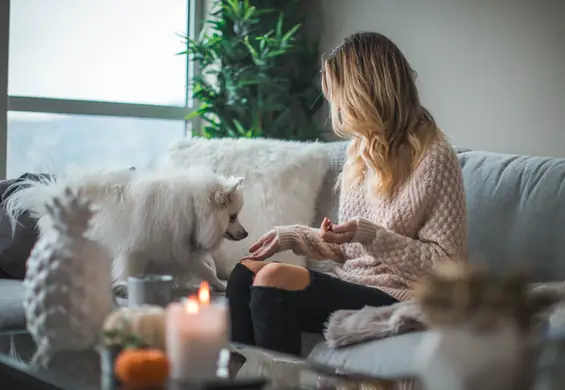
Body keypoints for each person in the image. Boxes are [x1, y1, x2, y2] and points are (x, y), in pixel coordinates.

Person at [225, 31, 468, 357]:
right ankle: (241, 379)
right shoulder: (360, 150)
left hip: (402, 293)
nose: (335, 106)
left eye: (338, 94)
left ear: (364, 94)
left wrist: (372, 236)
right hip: (353, 280)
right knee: (245, 273)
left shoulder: (435, 155)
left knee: (273, 278)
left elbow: (447, 267)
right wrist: (293, 236)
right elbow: (350, 248)